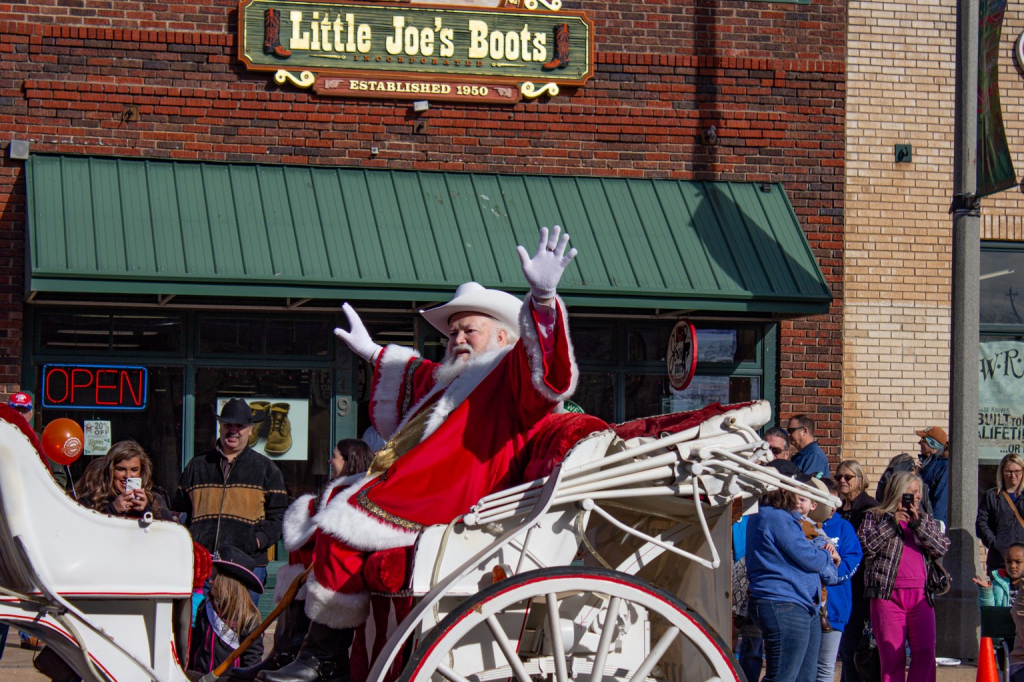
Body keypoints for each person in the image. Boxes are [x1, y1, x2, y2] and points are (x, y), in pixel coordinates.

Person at [258, 226, 580, 682]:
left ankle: (324, 659)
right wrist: (373, 352)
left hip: (463, 494)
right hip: (423, 490)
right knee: (314, 515)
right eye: (453, 332)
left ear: (505, 337)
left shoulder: (510, 373)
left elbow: (548, 377)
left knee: (345, 520)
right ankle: (296, 649)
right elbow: (420, 372)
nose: (458, 338)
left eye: (469, 330)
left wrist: (543, 302)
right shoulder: (454, 379)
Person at [174, 397, 288, 603]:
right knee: (200, 622)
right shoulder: (197, 466)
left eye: (240, 426)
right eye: (228, 425)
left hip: (247, 566)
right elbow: (180, 512)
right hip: (203, 566)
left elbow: (280, 517)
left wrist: (257, 540)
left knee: (241, 623)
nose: (233, 430)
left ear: (250, 430)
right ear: (220, 427)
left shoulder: (266, 469)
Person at [858, 471, 949, 682]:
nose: (917, 497)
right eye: (913, 492)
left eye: (919, 492)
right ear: (899, 492)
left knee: (925, 652)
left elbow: (941, 547)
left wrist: (918, 525)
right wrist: (892, 523)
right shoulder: (875, 516)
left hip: (921, 596)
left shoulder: (924, 519)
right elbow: (865, 546)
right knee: (892, 657)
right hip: (886, 595)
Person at [746, 486, 840, 682]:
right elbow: (808, 558)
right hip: (784, 603)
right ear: (783, 490)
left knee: (803, 677)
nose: (798, 496)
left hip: (800, 603)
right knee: (783, 677)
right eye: (795, 489)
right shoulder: (775, 516)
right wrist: (825, 553)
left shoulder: (779, 516)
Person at [188, 546, 266, 674]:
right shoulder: (205, 606)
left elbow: (252, 661)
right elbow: (196, 647)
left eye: (214, 577)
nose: (210, 581)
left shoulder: (249, 618)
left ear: (228, 583)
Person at [815, 479, 862, 682]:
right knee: (804, 668)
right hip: (806, 607)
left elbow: (851, 561)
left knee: (826, 668)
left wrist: (831, 574)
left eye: (836, 502)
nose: (832, 507)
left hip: (834, 610)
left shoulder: (844, 527)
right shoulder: (801, 525)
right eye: (827, 501)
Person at [834, 459, 877, 682]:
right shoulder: (835, 508)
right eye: (838, 477)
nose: (842, 480)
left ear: (860, 480)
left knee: (854, 645)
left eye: (847, 477)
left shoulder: (871, 508)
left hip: (860, 584)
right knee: (843, 646)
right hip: (838, 582)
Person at [77, 440, 171, 519]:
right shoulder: (92, 500)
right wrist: (112, 509)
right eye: (121, 469)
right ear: (110, 470)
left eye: (134, 470)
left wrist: (146, 510)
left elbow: (169, 531)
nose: (128, 476)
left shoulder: (154, 500)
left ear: (141, 471)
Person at [977, 453, 1024, 576]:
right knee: (999, 589)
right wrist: (995, 544)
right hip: (999, 561)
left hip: (1023, 560)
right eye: (1008, 471)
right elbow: (982, 524)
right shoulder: (992, 496)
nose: (1013, 475)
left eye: (1017, 471)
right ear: (1002, 472)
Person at [875, 453, 933, 517]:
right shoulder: (876, 517)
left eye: (914, 469)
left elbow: (929, 513)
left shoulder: (921, 486)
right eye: (911, 469)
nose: (919, 496)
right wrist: (893, 522)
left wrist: (917, 522)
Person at [916, 425, 949, 525]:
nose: (919, 443)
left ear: (933, 443)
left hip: (933, 523)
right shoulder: (926, 464)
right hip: (923, 520)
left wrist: (934, 525)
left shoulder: (944, 466)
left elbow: (941, 499)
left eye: (923, 440)